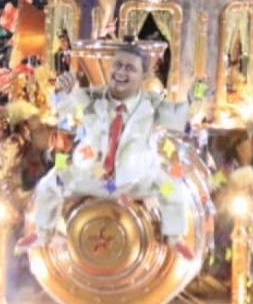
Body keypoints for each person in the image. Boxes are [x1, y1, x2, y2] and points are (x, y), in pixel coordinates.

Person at [16, 42, 193, 259]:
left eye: (130, 68)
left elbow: (178, 117)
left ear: (144, 75)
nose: (120, 72)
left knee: (175, 192)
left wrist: (195, 98)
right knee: (48, 186)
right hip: (91, 175)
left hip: (137, 179)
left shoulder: (152, 105)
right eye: (117, 65)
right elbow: (68, 106)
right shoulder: (94, 97)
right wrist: (64, 89)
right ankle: (42, 233)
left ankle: (175, 239)